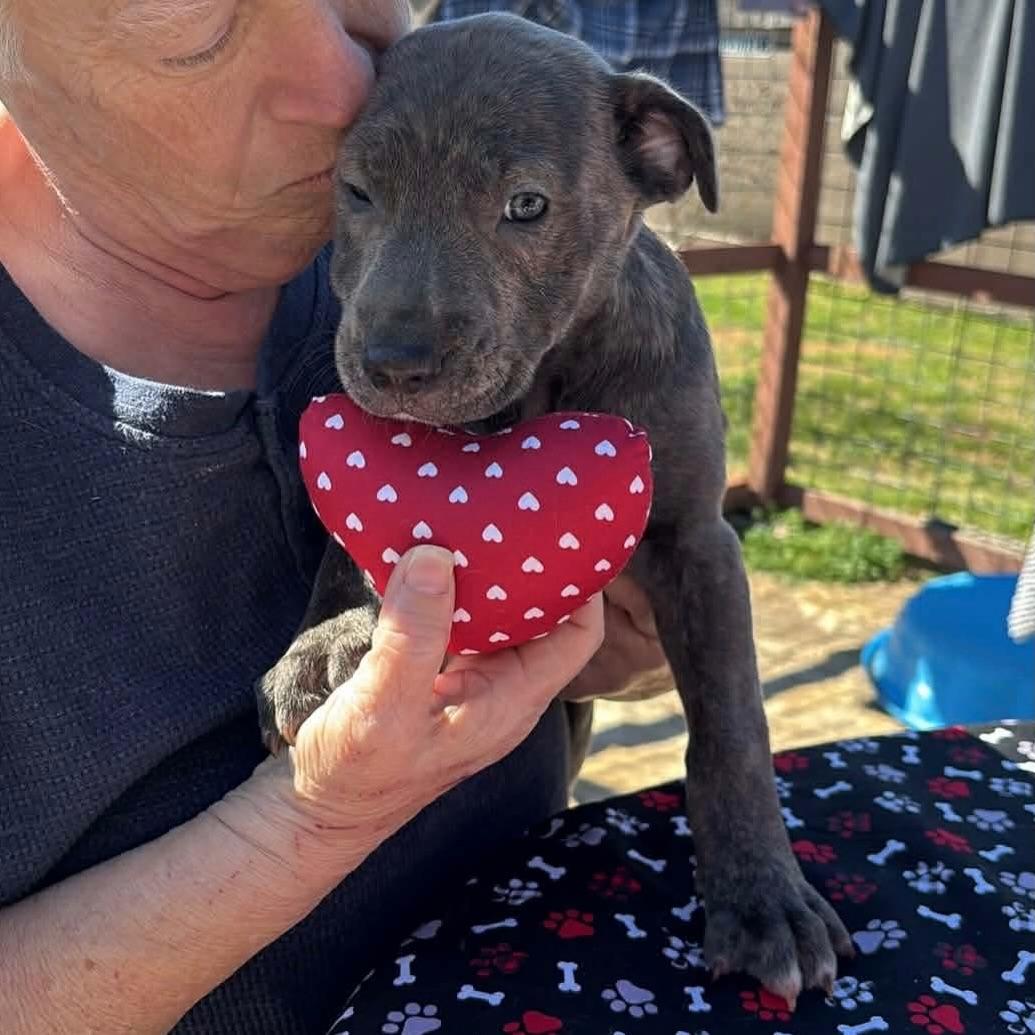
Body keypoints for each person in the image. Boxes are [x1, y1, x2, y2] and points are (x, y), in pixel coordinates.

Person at [0, 2, 666, 1031]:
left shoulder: (422, 275)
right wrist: (317, 817)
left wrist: (606, 654)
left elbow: (601, 646)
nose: (340, 88)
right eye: (195, 26)